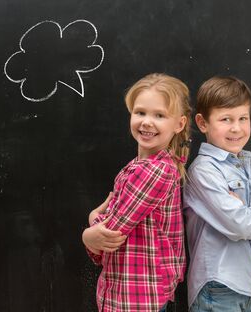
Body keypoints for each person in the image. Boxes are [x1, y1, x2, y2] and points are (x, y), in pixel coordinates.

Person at [82, 73, 192, 312]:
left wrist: (91, 226)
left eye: (159, 115)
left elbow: (111, 231)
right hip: (130, 290)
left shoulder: (154, 170)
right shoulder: (144, 166)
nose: (146, 122)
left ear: (179, 124)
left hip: (138, 296)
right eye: (140, 112)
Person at [183, 76, 251, 312]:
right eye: (225, 119)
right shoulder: (203, 171)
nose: (236, 128)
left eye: (243, 118)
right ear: (202, 123)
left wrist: (248, 217)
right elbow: (238, 225)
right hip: (218, 288)